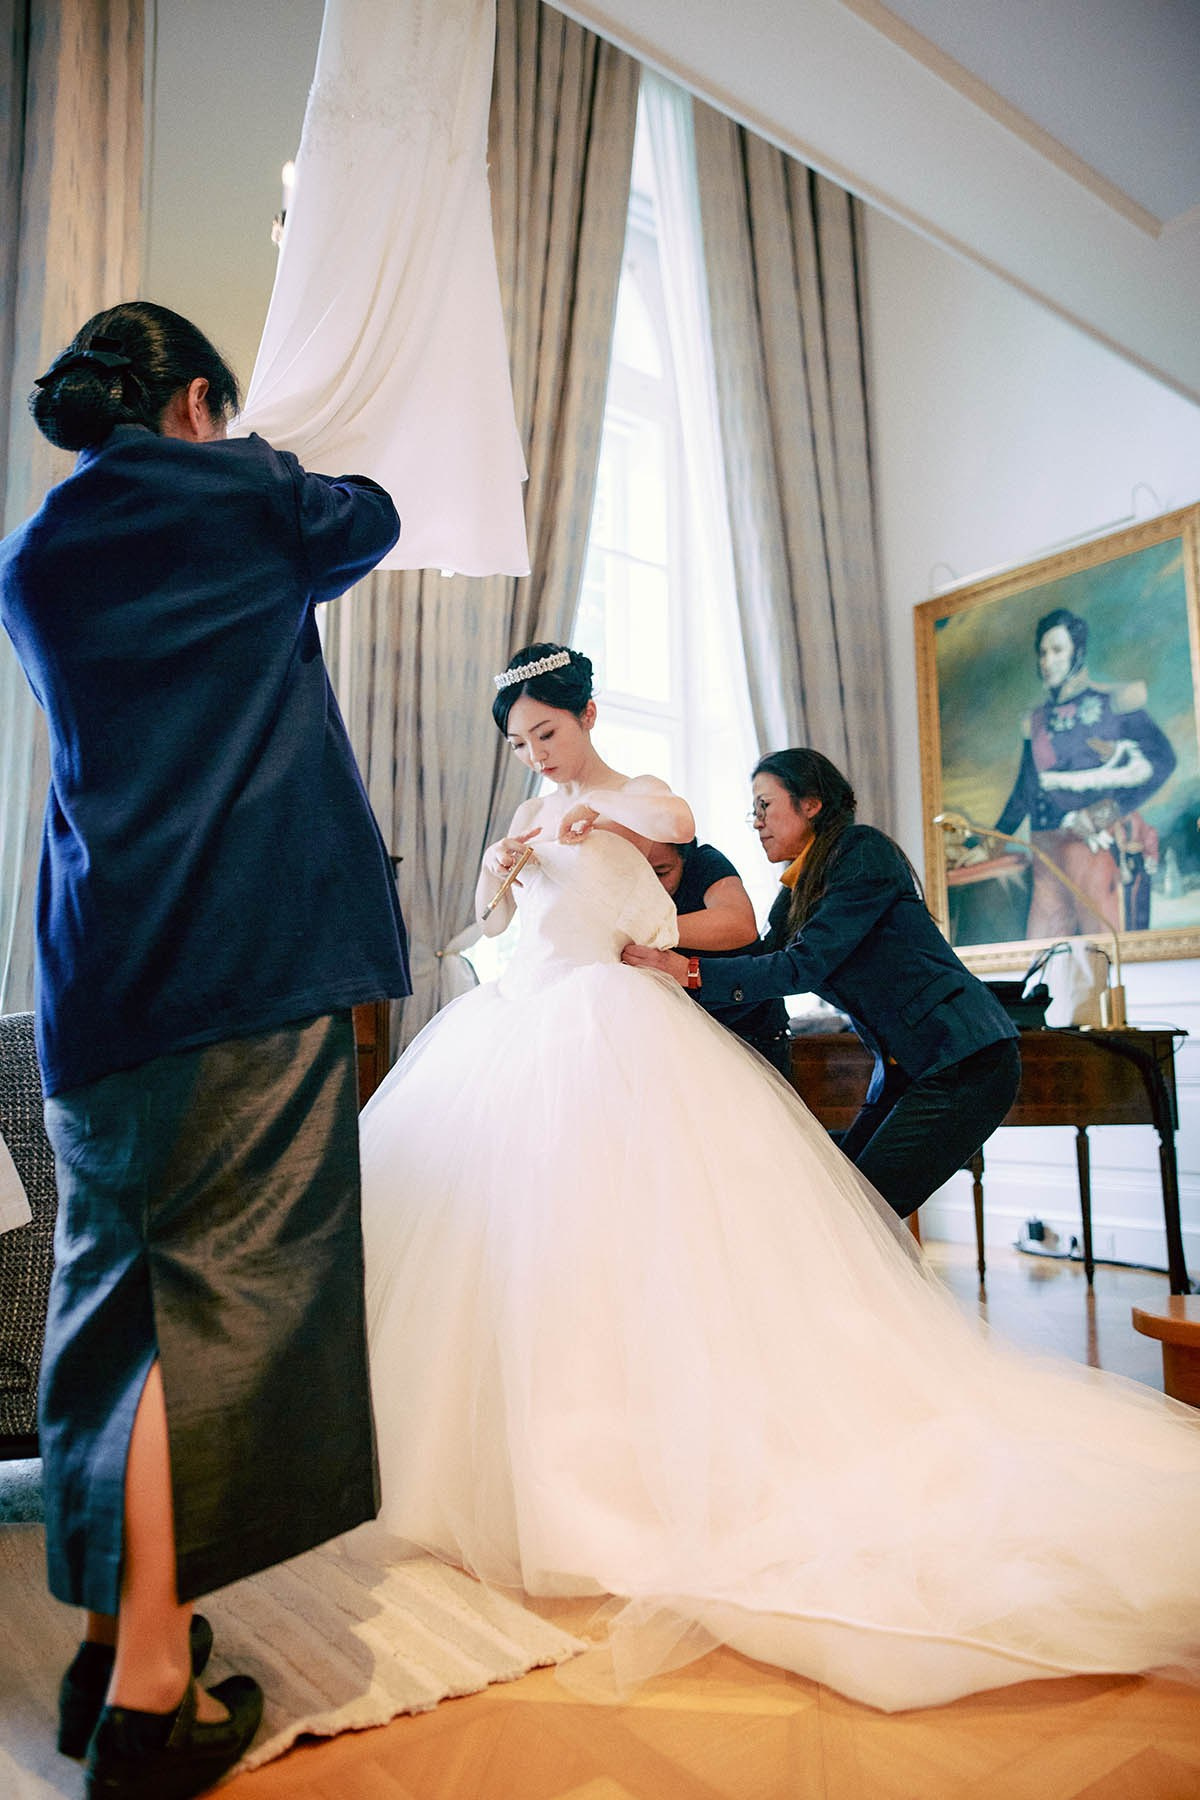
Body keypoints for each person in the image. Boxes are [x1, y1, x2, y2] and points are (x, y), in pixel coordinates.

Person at [359, 644, 1200, 1715]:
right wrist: (498, 872)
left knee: (805, 1209)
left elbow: (698, 882)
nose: (538, 755)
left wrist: (613, 847)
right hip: (526, 1020)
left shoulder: (672, 808)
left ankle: (815, 1374)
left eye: (550, 733)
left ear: (586, 717)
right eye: (522, 743)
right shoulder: (531, 815)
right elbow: (497, 929)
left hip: (693, 1029)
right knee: (554, 1241)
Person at [0, 301, 410, 1800]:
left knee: (111, 1306)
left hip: (96, 984)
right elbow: (367, 513)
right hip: (245, 957)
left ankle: (115, 1644)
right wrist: (267, 449)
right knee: (214, 1311)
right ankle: (157, 1709)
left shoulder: (34, 554)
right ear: (192, 402)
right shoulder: (240, 493)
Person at [626, 749, 1020, 1219]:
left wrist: (686, 970)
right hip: (907, 1068)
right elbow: (763, 965)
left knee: (861, 1217)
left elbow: (801, 965)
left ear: (810, 803)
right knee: (838, 1201)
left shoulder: (861, 852)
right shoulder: (794, 893)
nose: (756, 822)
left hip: (965, 1059)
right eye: (754, 810)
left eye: (765, 805)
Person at [995, 606, 1176, 935]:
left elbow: (1163, 760)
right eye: (1042, 652)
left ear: (1077, 652)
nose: (1046, 661)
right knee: (1041, 959)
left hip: (1090, 846)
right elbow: (1025, 791)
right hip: (1045, 855)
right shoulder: (1035, 721)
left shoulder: (1112, 703)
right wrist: (988, 843)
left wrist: (1102, 814)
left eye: (1057, 650)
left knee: (1101, 953)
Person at [646, 838, 791, 1072]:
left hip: (748, 1036)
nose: (651, 885)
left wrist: (644, 929)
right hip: (681, 1041)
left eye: (662, 872)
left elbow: (740, 925)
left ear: (685, 857)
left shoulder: (707, 863)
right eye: (640, 874)